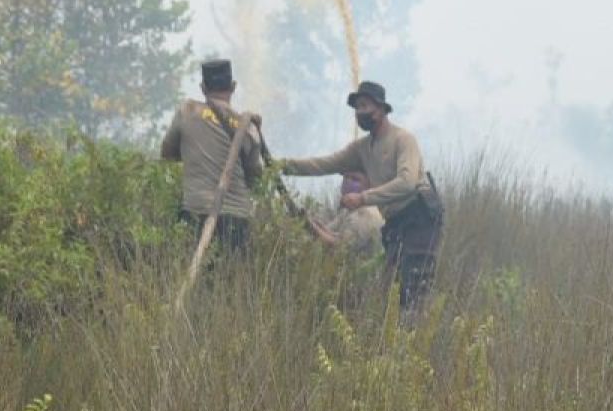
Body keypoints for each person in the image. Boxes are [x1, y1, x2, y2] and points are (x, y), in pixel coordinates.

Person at [281, 81, 443, 311]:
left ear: (381, 109)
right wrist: (281, 166)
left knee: (414, 287)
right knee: (392, 291)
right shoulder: (361, 149)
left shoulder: (403, 139)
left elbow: (407, 183)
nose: (360, 113)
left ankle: (418, 339)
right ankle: (396, 339)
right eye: (357, 108)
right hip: (394, 223)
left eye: (364, 106)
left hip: (420, 219)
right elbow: (324, 164)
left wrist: (363, 198)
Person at [160, 59, 263, 253]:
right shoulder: (248, 127)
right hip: (238, 220)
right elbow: (254, 179)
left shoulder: (187, 111)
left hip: (195, 213)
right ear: (233, 87)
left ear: (202, 88)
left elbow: (167, 154)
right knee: (232, 280)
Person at [325, 172, 385, 253]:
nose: (348, 182)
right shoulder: (349, 210)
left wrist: (312, 227)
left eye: (355, 179)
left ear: (369, 186)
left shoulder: (365, 214)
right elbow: (329, 232)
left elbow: (340, 248)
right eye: (346, 177)